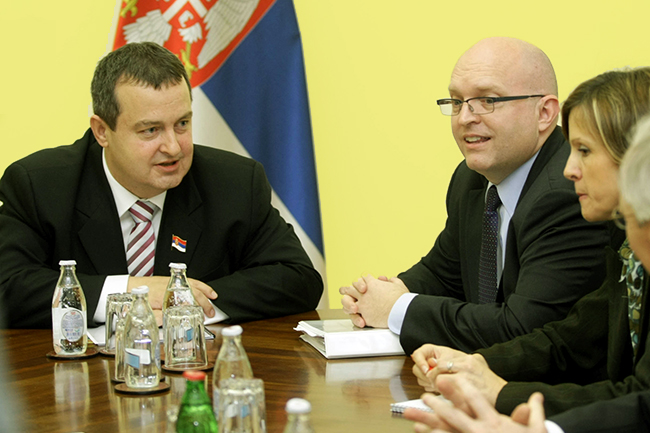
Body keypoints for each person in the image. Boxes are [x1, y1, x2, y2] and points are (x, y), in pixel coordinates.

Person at [0, 42, 323, 329]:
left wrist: (184, 302)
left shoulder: (234, 182)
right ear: (102, 131)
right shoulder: (39, 185)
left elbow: (297, 278)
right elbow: (8, 286)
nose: (173, 147)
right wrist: (128, 293)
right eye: (150, 130)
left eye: (182, 124)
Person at [339, 37, 609, 354]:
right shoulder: (471, 179)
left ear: (544, 113)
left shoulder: (570, 191)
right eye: (456, 102)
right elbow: (443, 274)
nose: (465, 117)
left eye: (487, 100)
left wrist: (398, 309)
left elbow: (522, 329)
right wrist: (380, 294)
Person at [410, 67, 650, 418]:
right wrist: (474, 364)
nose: (569, 170)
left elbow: (641, 399)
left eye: (584, 150)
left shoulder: (562, 202)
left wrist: (502, 393)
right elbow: (572, 339)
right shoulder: (630, 254)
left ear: (637, 158)